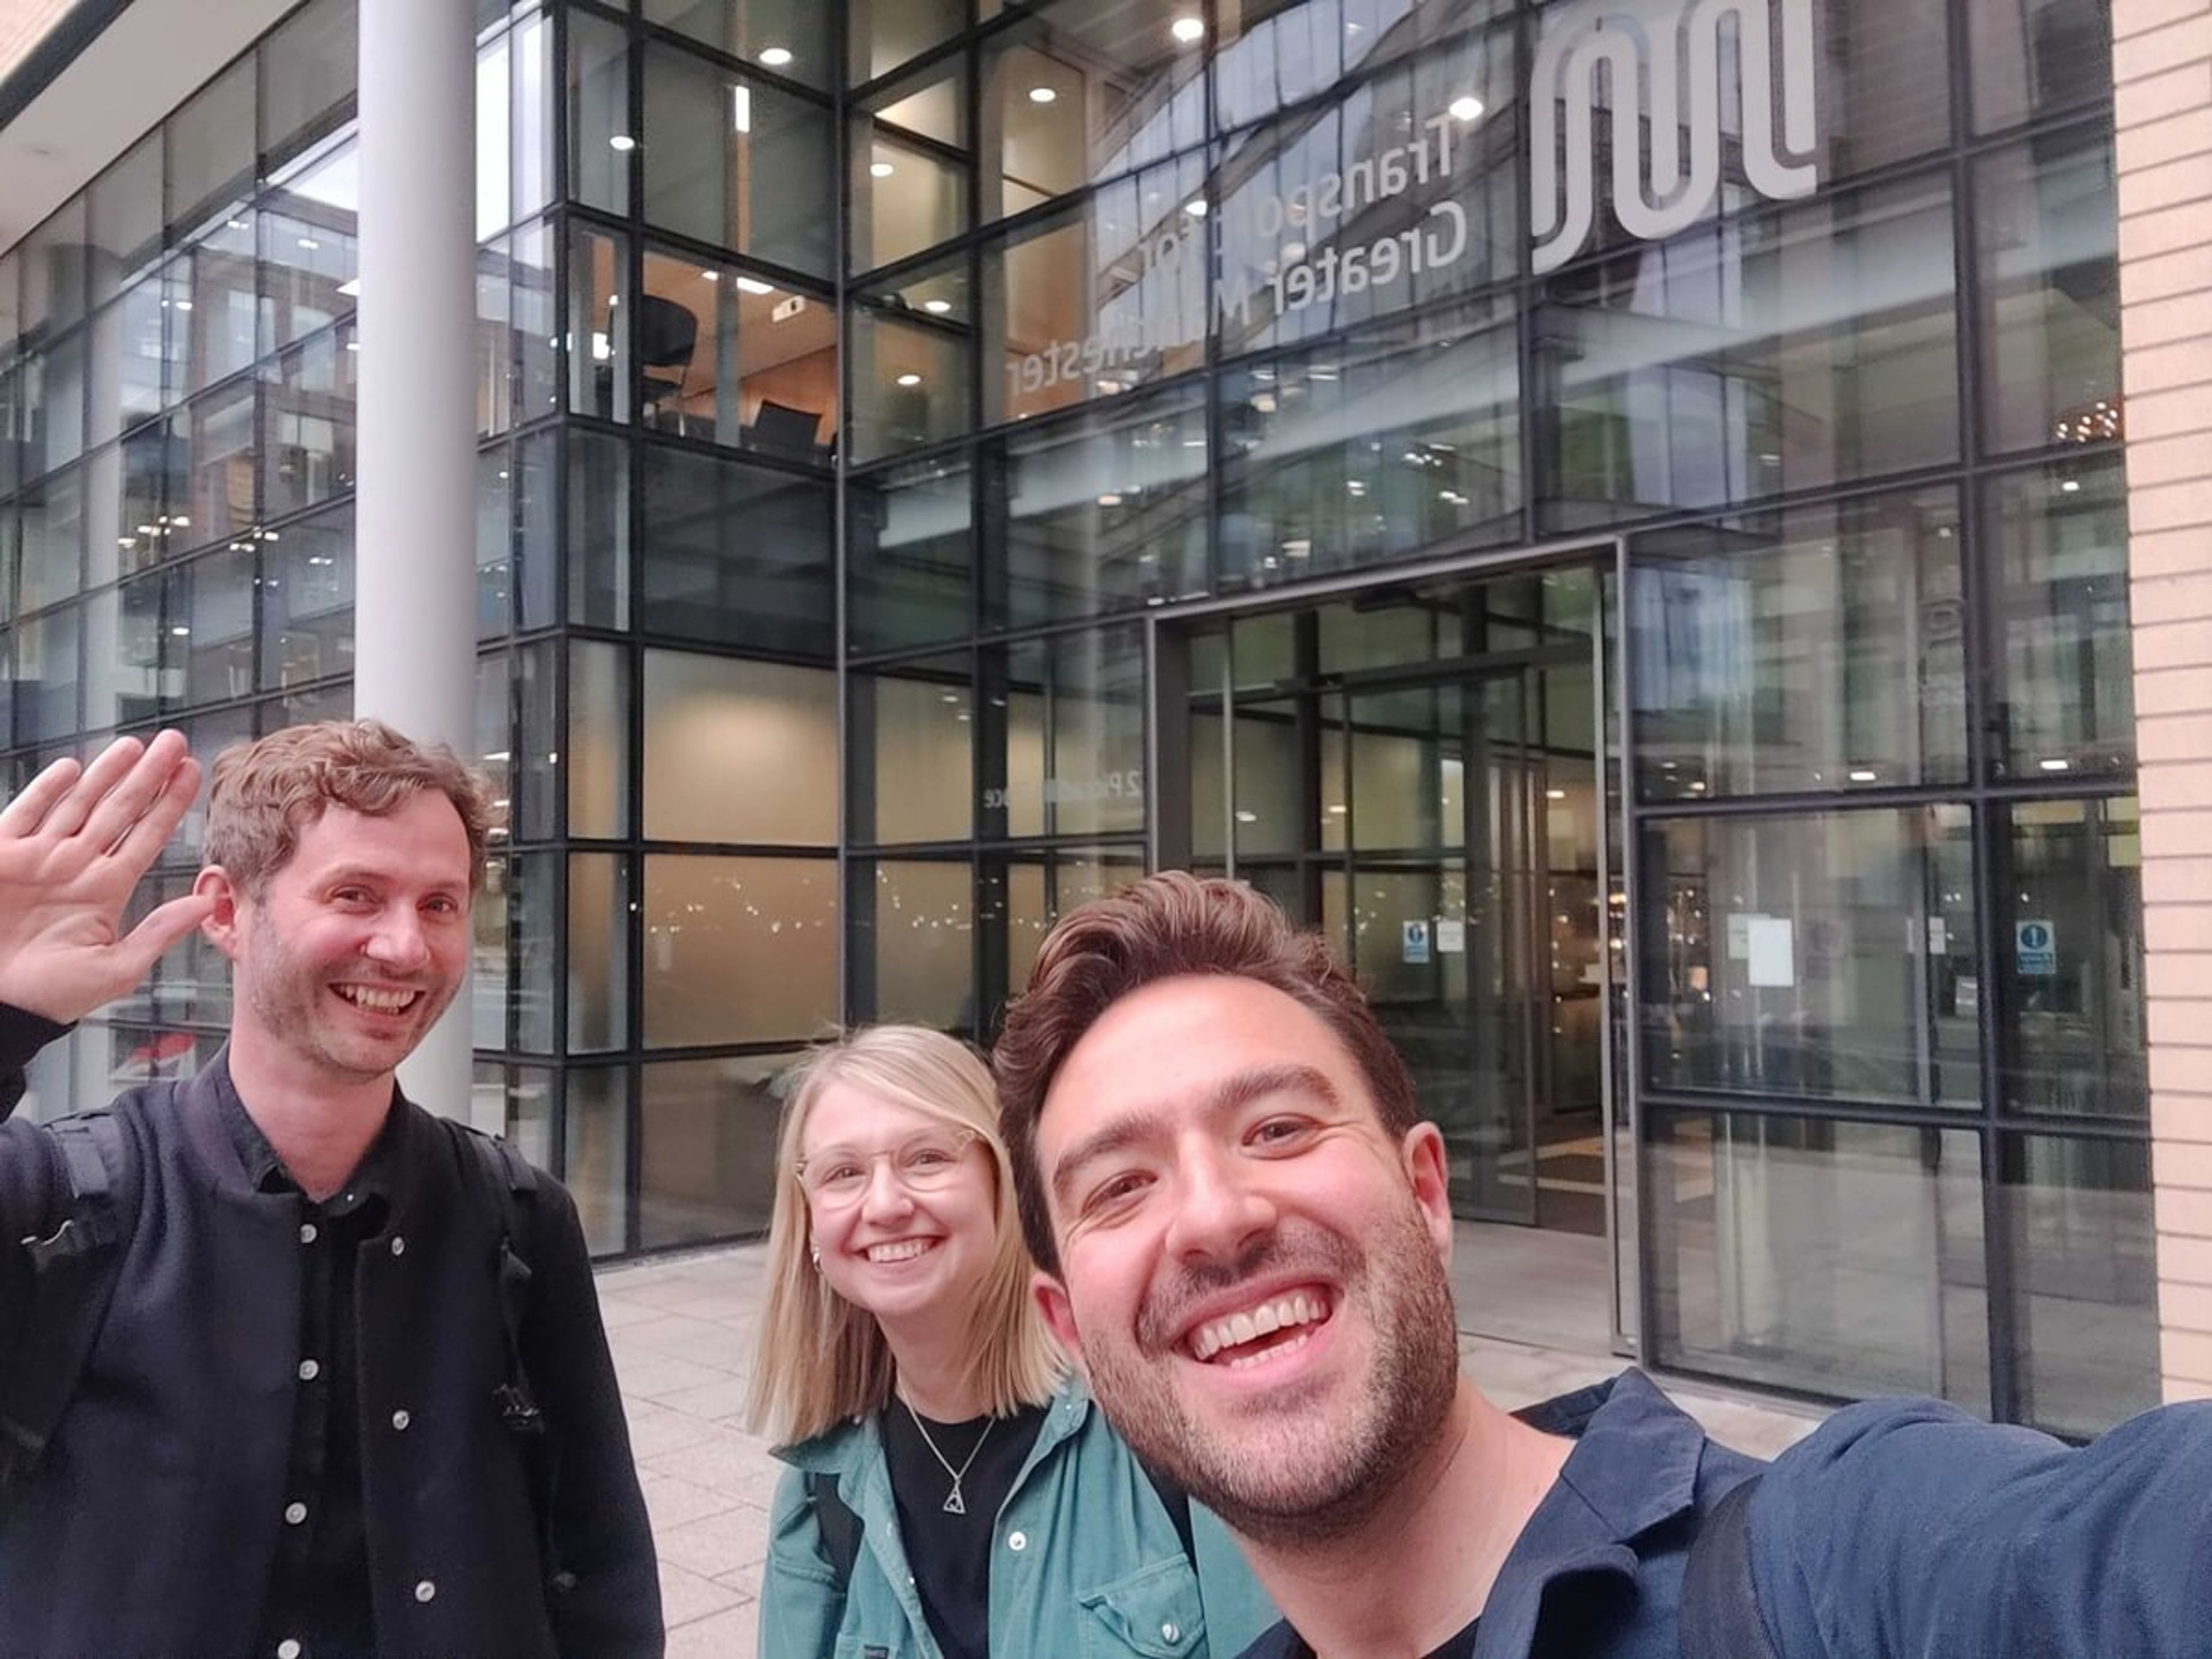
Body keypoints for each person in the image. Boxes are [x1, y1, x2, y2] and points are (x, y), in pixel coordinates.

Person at [993, 872, 2212, 1659]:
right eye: (1120, 1187)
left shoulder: (1829, 1565)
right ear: (1071, 1332)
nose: (1213, 1216)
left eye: (1278, 1128)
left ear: (1425, 1194)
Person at [0, 723, 662, 1657]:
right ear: (226, 912)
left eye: (441, 904)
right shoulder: (59, 1203)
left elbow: (600, 1566)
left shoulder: (518, 1220)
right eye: (356, 894)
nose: (404, 947)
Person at [749, 1024, 1274, 1657]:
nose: (884, 1203)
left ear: (1003, 1183)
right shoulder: (822, 1496)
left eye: (927, 1158)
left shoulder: (1162, 1430)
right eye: (843, 1173)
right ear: (808, 1222)